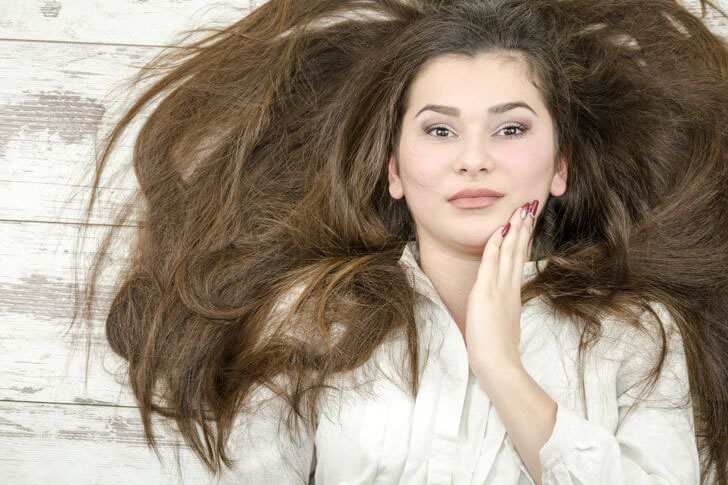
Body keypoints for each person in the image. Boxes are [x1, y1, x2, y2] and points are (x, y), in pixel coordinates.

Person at [71, 0, 728, 483]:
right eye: (440, 130)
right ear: (393, 170)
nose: (473, 159)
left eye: (510, 129)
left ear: (561, 167)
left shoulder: (635, 334)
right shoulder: (314, 316)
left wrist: (502, 368)